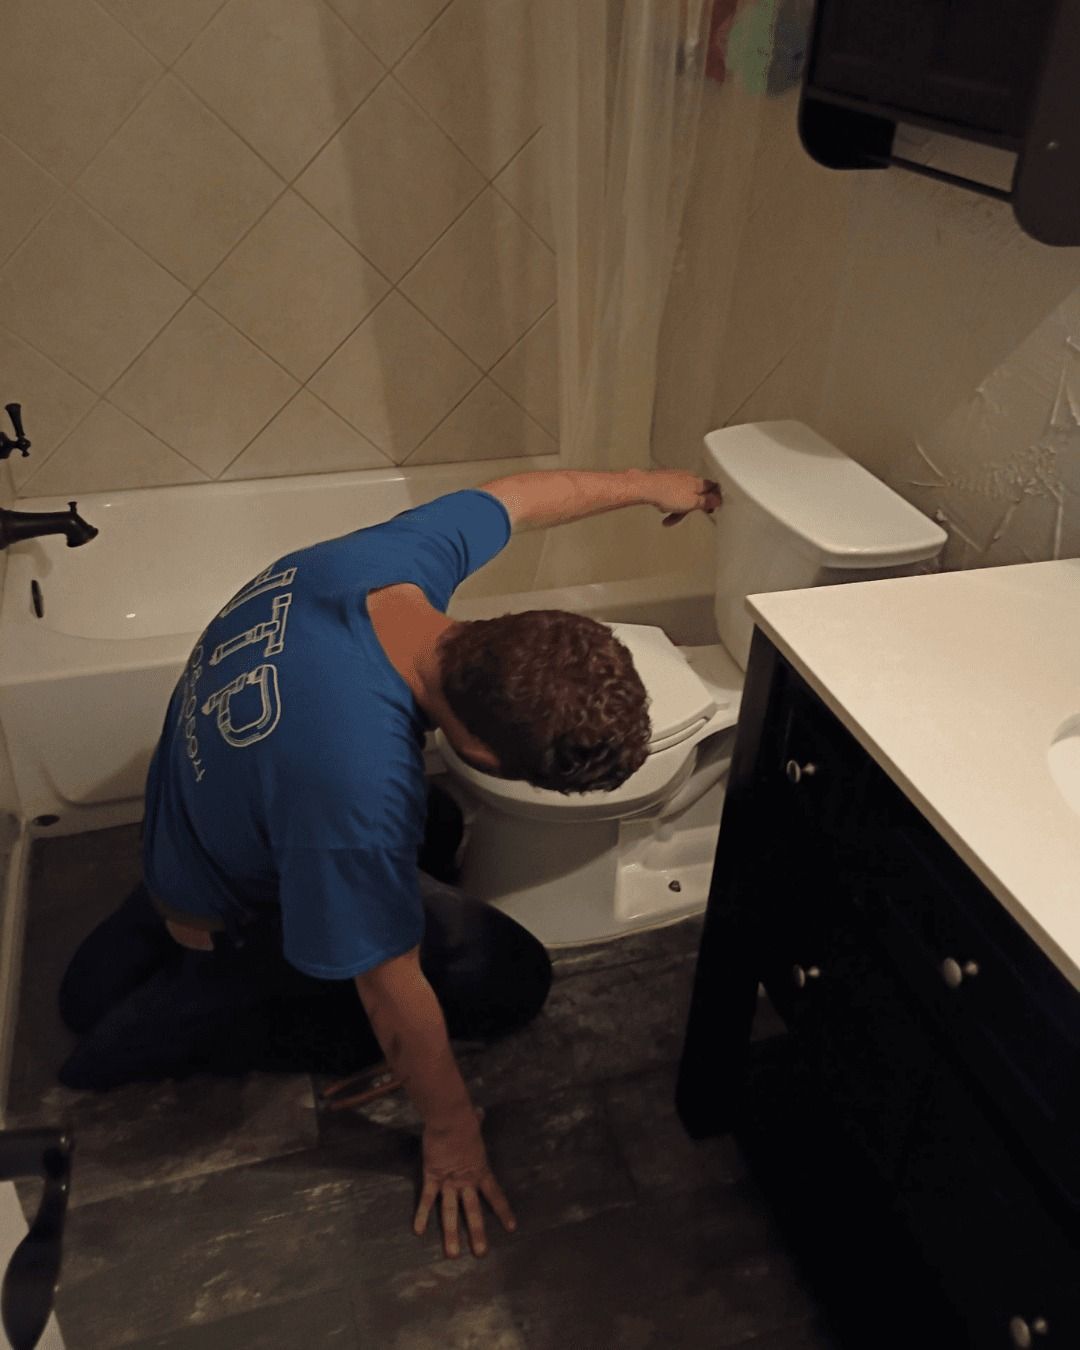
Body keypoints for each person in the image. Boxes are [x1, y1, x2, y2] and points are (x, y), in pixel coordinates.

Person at [56, 464, 721, 1259]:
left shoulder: (390, 564)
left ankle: (173, 946)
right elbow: (389, 986)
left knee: (427, 820)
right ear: (475, 747)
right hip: (234, 909)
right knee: (511, 978)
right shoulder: (357, 791)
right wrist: (452, 1133)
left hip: (199, 823)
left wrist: (654, 484)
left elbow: (525, 498)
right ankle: (177, 1011)